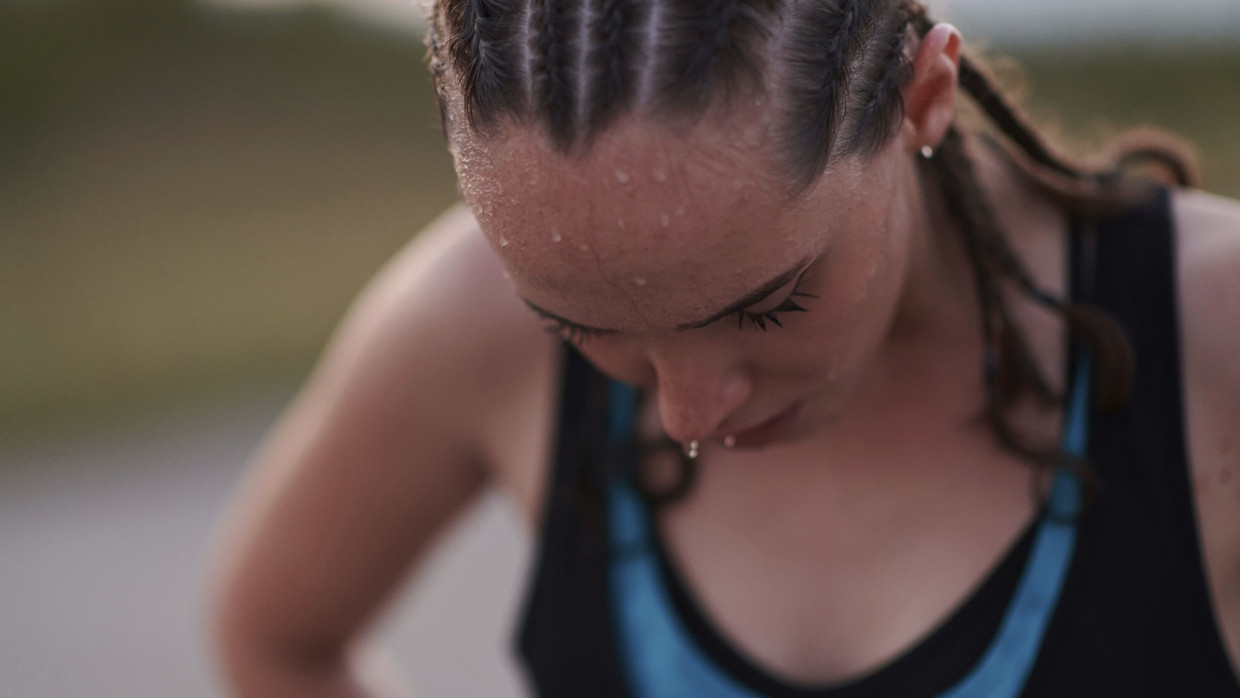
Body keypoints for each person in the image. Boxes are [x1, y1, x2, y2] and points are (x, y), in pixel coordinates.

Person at [207, 0, 1240, 695]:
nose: (688, 412)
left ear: (919, 96)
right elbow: (278, 634)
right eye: (581, 325)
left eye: (768, 307)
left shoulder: (1210, 330)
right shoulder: (468, 320)